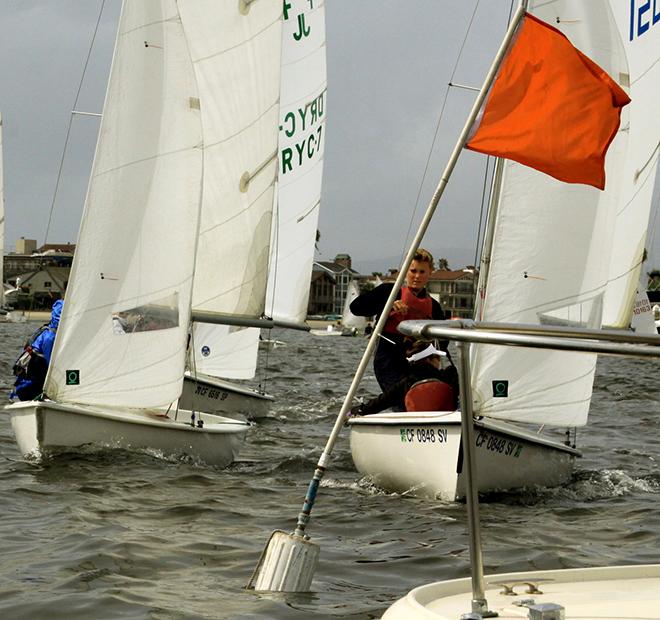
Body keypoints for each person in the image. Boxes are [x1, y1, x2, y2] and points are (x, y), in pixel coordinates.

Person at [350, 248, 446, 392]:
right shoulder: (389, 292)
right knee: (404, 396)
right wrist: (388, 306)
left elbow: (443, 342)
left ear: (430, 273)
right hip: (389, 360)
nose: (417, 276)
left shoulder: (434, 307)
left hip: (419, 361)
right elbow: (356, 308)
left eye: (422, 272)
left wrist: (435, 358)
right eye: (413, 271)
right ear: (405, 271)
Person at [349, 339, 458, 415]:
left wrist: (357, 410)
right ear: (429, 359)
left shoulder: (407, 382)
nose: (439, 362)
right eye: (437, 358)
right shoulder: (448, 376)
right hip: (448, 423)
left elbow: (382, 402)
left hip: (417, 426)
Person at [10, 299, 63, 401]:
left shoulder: (47, 330)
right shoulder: (50, 337)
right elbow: (51, 365)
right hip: (29, 387)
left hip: (26, 384)